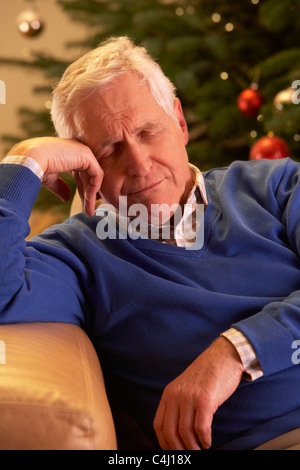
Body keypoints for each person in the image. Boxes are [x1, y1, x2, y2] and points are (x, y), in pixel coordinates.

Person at [1, 36, 300, 451]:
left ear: (178, 122)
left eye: (147, 131)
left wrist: (234, 353)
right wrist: (23, 161)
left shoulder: (276, 186)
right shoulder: (76, 257)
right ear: (83, 163)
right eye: (110, 148)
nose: (139, 165)